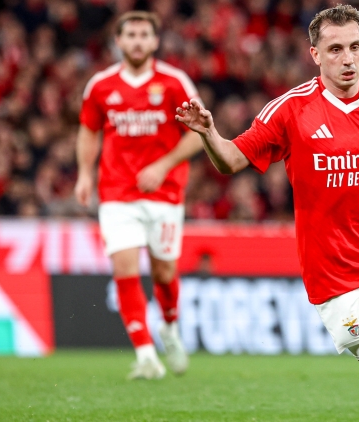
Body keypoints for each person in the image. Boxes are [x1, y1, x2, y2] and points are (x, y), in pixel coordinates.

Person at [176, 5, 359, 420]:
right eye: (335, 49)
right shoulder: (290, 109)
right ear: (315, 55)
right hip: (333, 270)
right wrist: (210, 133)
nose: (347, 58)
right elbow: (230, 161)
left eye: (354, 47)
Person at [75, 11, 203, 380]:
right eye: (130, 35)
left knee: (164, 272)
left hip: (165, 192)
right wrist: (84, 173)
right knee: (124, 267)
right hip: (117, 192)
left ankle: (169, 325)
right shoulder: (100, 85)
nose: (137, 41)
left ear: (155, 42)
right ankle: (146, 355)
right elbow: (88, 131)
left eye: (144, 35)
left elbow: (198, 134)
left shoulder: (174, 82)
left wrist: (163, 166)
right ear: (118, 41)